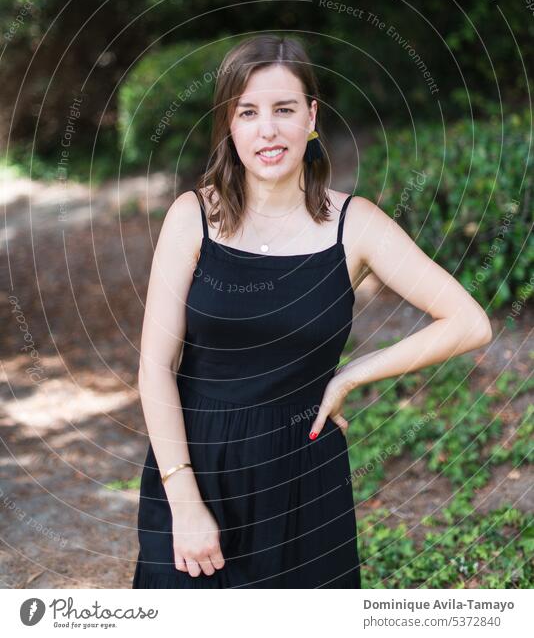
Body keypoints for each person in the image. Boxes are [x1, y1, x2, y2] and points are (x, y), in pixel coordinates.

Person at [132, 34, 492, 588]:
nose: (267, 130)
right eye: (248, 112)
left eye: (284, 110)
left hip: (306, 473)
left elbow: (469, 322)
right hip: (196, 465)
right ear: (230, 123)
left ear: (312, 116)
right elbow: (155, 365)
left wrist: (350, 375)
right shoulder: (192, 218)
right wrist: (184, 502)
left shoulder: (357, 225)